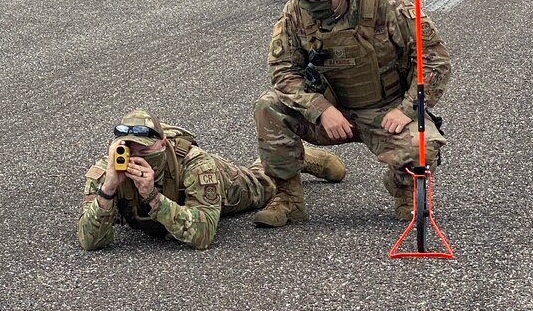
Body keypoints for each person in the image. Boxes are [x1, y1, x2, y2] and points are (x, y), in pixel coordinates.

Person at [253, 0, 451, 227]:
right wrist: (320, 109)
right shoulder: (296, 12)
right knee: (268, 106)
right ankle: (288, 198)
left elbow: (434, 60)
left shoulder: (385, 5)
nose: (312, 3)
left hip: (386, 110)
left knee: (423, 146)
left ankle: (404, 187)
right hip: (330, 111)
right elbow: (283, 70)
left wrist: (408, 109)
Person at [79, 107, 346, 250]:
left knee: (262, 184)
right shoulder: (107, 171)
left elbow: (203, 236)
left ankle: (297, 158)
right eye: (128, 149)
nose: (135, 158)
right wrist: (109, 189)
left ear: (162, 144)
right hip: (176, 204)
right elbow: (91, 242)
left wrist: (152, 197)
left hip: (225, 185)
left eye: (144, 151)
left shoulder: (196, 163)